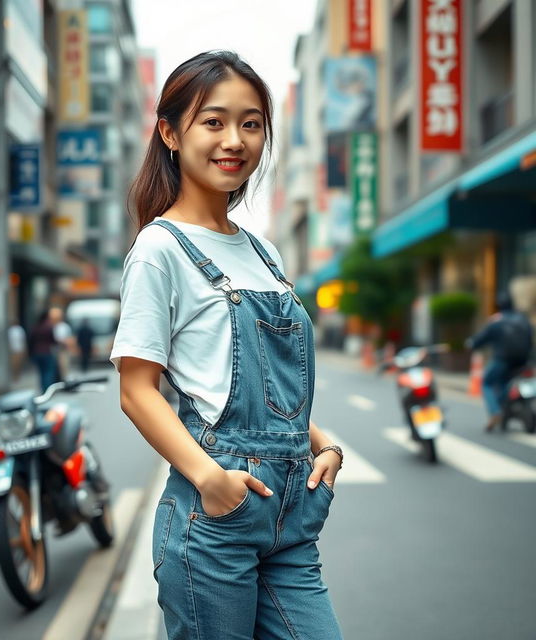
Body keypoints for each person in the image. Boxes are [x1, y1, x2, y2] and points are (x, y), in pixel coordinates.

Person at [110, 51, 344, 639]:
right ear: (170, 132)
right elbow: (138, 391)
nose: (234, 139)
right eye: (213, 121)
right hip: (214, 521)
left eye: (251, 123)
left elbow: (274, 380)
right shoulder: (159, 249)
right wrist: (211, 480)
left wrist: (323, 444)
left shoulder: (265, 252)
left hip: (292, 519)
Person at [468, 292, 534, 431]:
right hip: (523, 362)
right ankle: (503, 404)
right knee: (504, 383)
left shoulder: (497, 321)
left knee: (487, 382)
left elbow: (480, 340)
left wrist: (471, 343)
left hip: (503, 360)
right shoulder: (523, 319)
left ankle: (495, 411)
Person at [28, 311, 57, 393]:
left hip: (37, 353)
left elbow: (30, 341)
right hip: (46, 352)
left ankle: (43, 389)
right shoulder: (48, 327)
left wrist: (30, 354)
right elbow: (53, 340)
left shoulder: (35, 327)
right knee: (48, 372)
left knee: (41, 372)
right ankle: (48, 390)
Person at [49, 307, 74, 381]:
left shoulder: (64, 326)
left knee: (64, 366)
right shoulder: (52, 326)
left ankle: (65, 380)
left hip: (63, 349)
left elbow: (69, 339)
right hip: (54, 349)